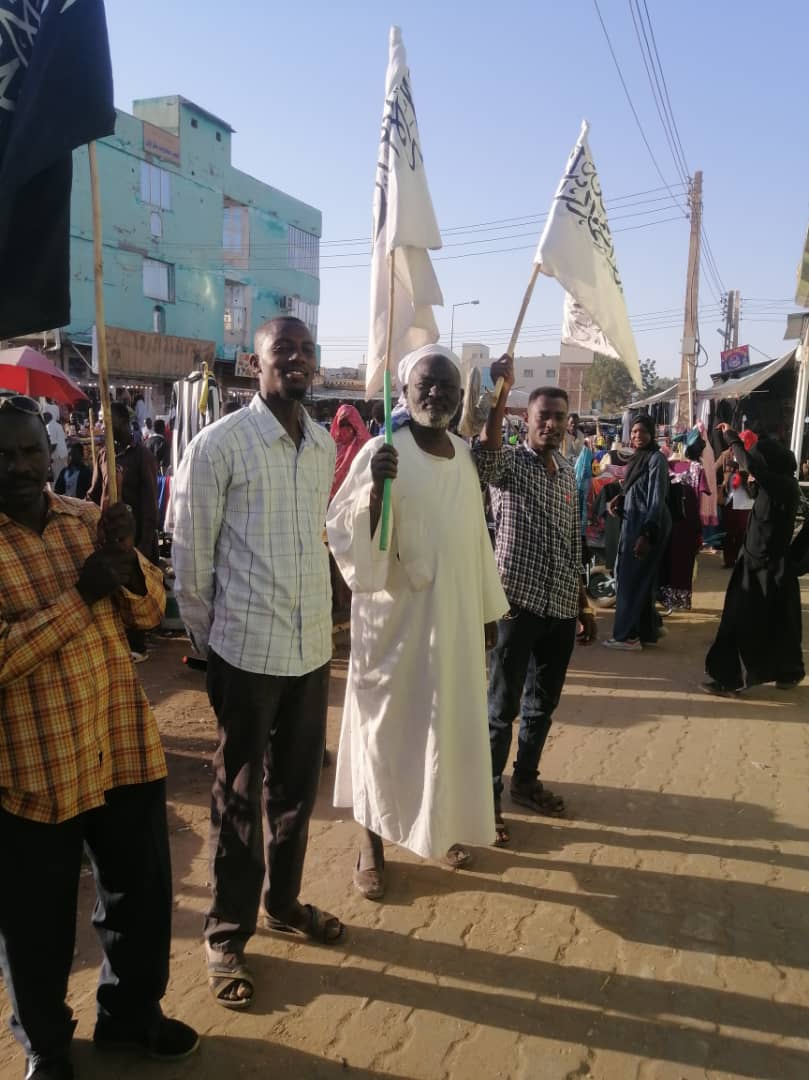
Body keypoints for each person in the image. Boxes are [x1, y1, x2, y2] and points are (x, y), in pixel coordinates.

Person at [0, 395, 198, 1080]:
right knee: (36, 922)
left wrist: (127, 557)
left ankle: (131, 1016)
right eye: (2, 456)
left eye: (30, 451)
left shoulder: (85, 521)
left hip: (120, 744)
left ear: (51, 451)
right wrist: (79, 597)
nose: (19, 466)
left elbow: (149, 611)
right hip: (35, 767)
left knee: (138, 900)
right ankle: (46, 1046)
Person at [171, 317, 341, 1012]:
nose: (297, 359)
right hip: (245, 654)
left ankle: (284, 903)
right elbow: (190, 561)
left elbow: (318, 540)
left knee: (297, 790)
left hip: (310, 652)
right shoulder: (219, 446)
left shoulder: (323, 444)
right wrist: (213, 645)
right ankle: (226, 934)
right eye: (283, 350)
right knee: (239, 800)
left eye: (306, 351)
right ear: (254, 362)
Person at [327, 346, 508, 899]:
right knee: (382, 736)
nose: (436, 394)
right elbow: (345, 534)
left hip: (451, 627)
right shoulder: (383, 450)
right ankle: (371, 846)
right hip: (393, 628)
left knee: (442, 732)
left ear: (459, 397)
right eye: (425, 384)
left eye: (447, 387)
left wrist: (485, 611)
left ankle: (437, 828)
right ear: (404, 392)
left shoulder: (463, 455)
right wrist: (374, 489)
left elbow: (476, 540)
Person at [472, 358, 597, 844]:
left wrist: (583, 605)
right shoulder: (508, 464)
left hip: (560, 608)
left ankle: (524, 782)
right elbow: (484, 457)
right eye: (543, 416)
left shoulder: (566, 472)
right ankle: (485, 799)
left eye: (560, 417)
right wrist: (500, 393)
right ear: (527, 419)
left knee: (542, 705)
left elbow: (572, 544)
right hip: (515, 607)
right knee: (500, 709)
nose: (551, 424)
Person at [704, 424, 804, 695]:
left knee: (739, 620)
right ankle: (788, 672)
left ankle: (729, 679)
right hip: (757, 564)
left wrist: (732, 439)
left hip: (766, 568)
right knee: (780, 622)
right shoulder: (778, 485)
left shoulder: (782, 485)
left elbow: (752, 466)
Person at [87, 402, 160, 663]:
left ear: (122, 421)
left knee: (133, 589)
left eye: (107, 420)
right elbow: (94, 492)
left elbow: (150, 503)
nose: (102, 425)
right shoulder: (104, 455)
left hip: (135, 535)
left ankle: (138, 645)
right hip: (109, 535)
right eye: (100, 420)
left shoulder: (142, 456)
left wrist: (143, 543)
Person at [603, 416, 671, 651]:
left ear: (652, 434)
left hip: (646, 525)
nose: (637, 436)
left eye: (642, 431)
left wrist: (647, 534)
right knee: (639, 577)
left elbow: (656, 498)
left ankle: (627, 636)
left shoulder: (656, 459)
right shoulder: (638, 458)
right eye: (633, 432)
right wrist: (620, 498)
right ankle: (648, 629)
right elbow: (635, 488)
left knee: (629, 578)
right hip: (634, 522)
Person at [329, 403, 371, 502]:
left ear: (355, 424)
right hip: (333, 499)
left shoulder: (365, 445)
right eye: (342, 424)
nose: (345, 428)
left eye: (349, 424)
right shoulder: (331, 445)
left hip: (357, 498)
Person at [44, 410, 68, 482]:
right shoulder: (58, 425)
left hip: (57, 456)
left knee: (57, 477)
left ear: (46, 418)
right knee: (64, 475)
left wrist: (48, 455)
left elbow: (53, 444)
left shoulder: (49, 426)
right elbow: (64, 438)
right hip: (63, 453)